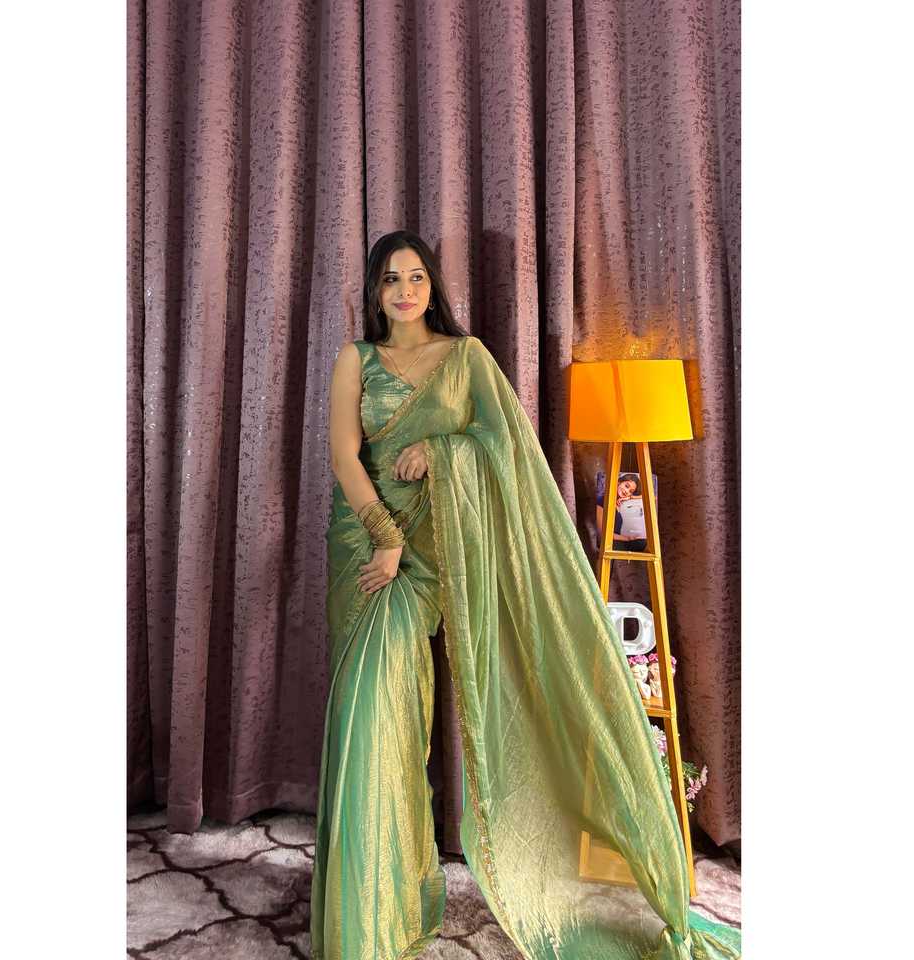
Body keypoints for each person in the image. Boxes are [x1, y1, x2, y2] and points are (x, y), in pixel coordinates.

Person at [309, 230, 741, 960]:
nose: (405, 291)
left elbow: (504, 447)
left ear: (432, 286)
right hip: (366, 547)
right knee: (369, 712)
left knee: (391, 718)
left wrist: (442, 451)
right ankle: (372, 913)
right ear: (375, 292)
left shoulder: (467, 358)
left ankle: (382, 911)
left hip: (433, 551)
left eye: (416, 278)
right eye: (390, 280)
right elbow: (342, 455)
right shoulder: (357, 358)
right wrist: (382, 535)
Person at [597, 473, 649, 552]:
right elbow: (602, 534)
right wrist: (628, 538)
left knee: (646, 543)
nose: (626, 491)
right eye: (626, 486)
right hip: (609, 544)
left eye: (631, 491)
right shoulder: (602, 500)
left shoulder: (618, 504)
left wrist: (630, 497)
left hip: (619, 542)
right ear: (619, 482)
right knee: (642, 544)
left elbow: (651, 497)